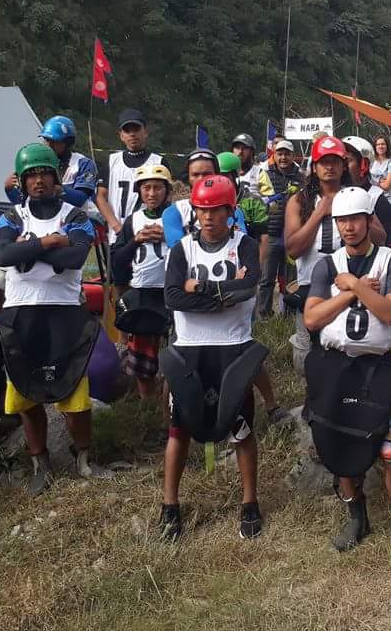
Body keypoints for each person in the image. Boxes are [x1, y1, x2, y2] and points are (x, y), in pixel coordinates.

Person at [302, 187, 391, 557]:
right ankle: (357, 518)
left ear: (369, 220)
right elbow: (312, 318)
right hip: (334, 364)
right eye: (342, 221)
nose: (348, 228)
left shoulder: (389, 261)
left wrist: (355, 284)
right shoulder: (327, 264)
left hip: (375, 368)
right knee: (336, 438)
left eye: (355, 219)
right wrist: (350, 294)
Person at [0, 143, 107, 495]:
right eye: (31, 175)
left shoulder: (76, 216)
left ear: (56, 178)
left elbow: (74, 258)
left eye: (44, 173)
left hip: (64, 312)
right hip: (20, 311)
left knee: (75, 393)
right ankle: (39, 462)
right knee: (24, 393)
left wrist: (30, 252)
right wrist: (49, 243)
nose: (38, 181)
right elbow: (3, 253)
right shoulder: (11, 216)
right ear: (22, 182)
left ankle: (83, 458)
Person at [160, 175, 265, 541]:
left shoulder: (245, 245)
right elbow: (173, 297)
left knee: (241, 428)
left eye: (215, 211)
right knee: (179, 429)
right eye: (202, 210)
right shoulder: (182, 250)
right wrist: (222, 293)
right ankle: (170, 505)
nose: (208, 218)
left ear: (229, 211)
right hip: (190, 349)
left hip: (233, 347)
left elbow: (249, 286)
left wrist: (200, 288)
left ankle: (249, 502)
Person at [173, 149, 287, 425]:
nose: (202, 177)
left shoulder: (230, 205)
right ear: (188, 179)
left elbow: (246, 275)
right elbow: (175, 281)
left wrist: (199, 287)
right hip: (195, 310)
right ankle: (181, 419)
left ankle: (268, 406)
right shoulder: (176, 210)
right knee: (180, 363)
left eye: (207, 172)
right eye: (195, 174)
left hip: (222, 300)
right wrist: (223, 292)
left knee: (243, 350)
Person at [286, 136, 384, 374]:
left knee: (348, 346)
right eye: (323, 162)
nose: (329, 167)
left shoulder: (359, 195)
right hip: (312, 286)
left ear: (343, 165)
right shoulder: (300, 200)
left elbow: (381, 238)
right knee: (309, 350)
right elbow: (292, 248)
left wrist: (357, 212)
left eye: (334, 161)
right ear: (314, 166)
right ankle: (313, 404)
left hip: (353, 283)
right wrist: (319, 213)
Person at [109, 163, 174, 401]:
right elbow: (118, 261)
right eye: (147, 188)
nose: (152, 193)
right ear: (139, 191)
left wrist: (168, 236)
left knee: (173, 352)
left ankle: (171, 400)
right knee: (143, 357)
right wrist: (135, 240)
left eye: (158, 188)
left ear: (167, 191)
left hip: (170, 292)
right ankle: (147, 402)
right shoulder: (132, 220)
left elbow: (191, 248)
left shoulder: (176, 217)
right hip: (142, 292)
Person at [95, 109, 163, 241]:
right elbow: (101, 197)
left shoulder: (158, 162)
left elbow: (166, 198)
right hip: (117, 235)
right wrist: (116, 226)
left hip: (148, 234)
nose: (132, 134)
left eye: (136, 129)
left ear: (145, 132)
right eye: (127, 130)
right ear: (121, 135)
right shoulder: (111, 161)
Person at [5, 115, 98, 209]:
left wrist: (57, 189)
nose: (49, 145)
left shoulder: (83, 164)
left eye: (54, 141)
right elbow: (23, 203)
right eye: (46, 140)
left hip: (74, 221)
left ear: (68, 142)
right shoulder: (36, 162)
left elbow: (80, 199)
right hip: (43, 220)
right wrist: (9, 189)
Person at [254, 138, 303, 317]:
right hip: (271, 233)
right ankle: (264, 314)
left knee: (290, 279)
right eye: (280, 154)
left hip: (293, 235)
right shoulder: (264, 173)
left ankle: (289, 314)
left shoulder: (300, 175)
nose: (283, 158)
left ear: (292, 156)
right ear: (274, 155)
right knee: (267, 278)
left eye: (287, 154)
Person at [341, 136, 391, 243]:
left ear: (364, 165)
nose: (343, 167)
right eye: (340, 161)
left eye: (348, 161)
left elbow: (385, 242)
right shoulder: (336, 195)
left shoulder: (377, 198)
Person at [370, 136, 391, 206]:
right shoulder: (372, 163)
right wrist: (380, 180)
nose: (380, 146)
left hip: (388, 202)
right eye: (378, 144)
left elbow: (387, 186)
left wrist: (373, 180)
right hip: (374, 201)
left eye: (383, 144)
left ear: (387, 146)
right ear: (375, 147)